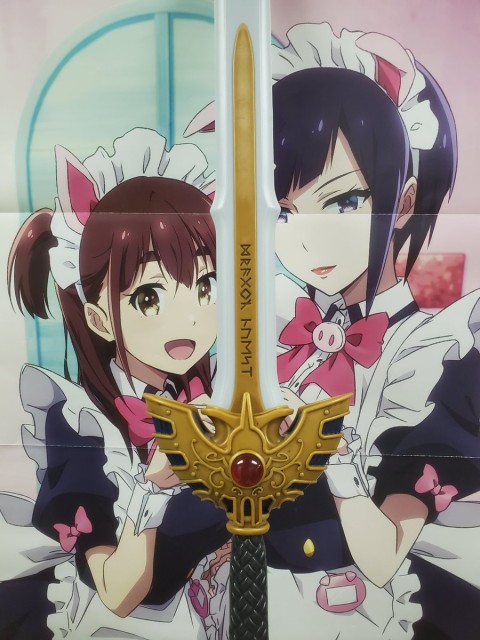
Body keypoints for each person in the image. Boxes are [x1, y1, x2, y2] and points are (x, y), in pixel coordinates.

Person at [268, 23, 480, 640]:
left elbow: (384, 555)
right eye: (284, 212)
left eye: (342, 202)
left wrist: (329, 451)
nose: (307, 239)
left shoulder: (443, 354)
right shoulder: (277, 332)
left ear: (403, 201)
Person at [1, 128, 231, 639]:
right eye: (150, 297)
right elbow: (117, 593)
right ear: (100, 318)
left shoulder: (220, 389)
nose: (188, 317)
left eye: (205, 285)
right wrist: (151, 489)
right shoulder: (80, 424)